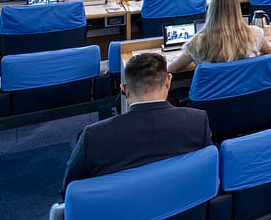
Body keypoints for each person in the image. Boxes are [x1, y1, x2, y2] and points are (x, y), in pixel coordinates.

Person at [61, 53, 212, 193]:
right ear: (168, 81)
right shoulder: (198, 120)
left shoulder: (92, 137)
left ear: (125, 90)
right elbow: (209, 173)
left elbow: (69, 191)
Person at [167, 0, 271, 73]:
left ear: (211, 11)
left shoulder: (198, 42)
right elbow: (269, 53)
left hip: (211, 98)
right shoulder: (255, 33)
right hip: (246, 93)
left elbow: (171, 69)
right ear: (237, 9)